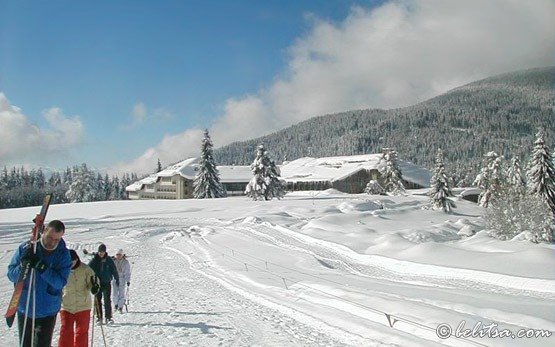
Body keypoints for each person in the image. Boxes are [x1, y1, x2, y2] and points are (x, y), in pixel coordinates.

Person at [7, 220, 72, 347]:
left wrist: (42, 268)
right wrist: (23, 265)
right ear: (44, 231)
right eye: (49, 237)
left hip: (47, 309)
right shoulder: (27, 248)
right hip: (25, 307)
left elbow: (60, 282)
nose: (52, 242)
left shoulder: (63, 255)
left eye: (57, 240)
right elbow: (11, 275)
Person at [59, 249, 100, 347]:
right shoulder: (62, 269)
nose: (72, 263)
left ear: (77, 259)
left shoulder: (85, 269)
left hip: (83, 306)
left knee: (82, 331)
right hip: (66, 305)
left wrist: (94, 286)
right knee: (66, 331)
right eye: (69, 261)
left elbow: (93, 280)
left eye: (73, 261)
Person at [88, 244, 119, 324]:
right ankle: (99, 317)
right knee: (97, 300)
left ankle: (108, 317)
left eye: (103, 252)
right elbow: (88, 270)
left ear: (105, 252)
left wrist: (116, 278)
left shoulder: (108, 260)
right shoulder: (94, 260)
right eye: (100, 252)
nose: (101, 253)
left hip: (106, 282)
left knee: (107, 300)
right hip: (97, 283)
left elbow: (114, 270)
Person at [112, 248, 131, 313]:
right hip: (115, 279)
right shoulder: (113, 261)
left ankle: (120, 306)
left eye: (120, 255)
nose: (118, 256)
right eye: (117, 255)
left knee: (121, 293)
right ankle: (116, 304)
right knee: (115, 293)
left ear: (122, 255)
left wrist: (128, 280)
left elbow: (127, 272)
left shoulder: (125, 262)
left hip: (122, 279)